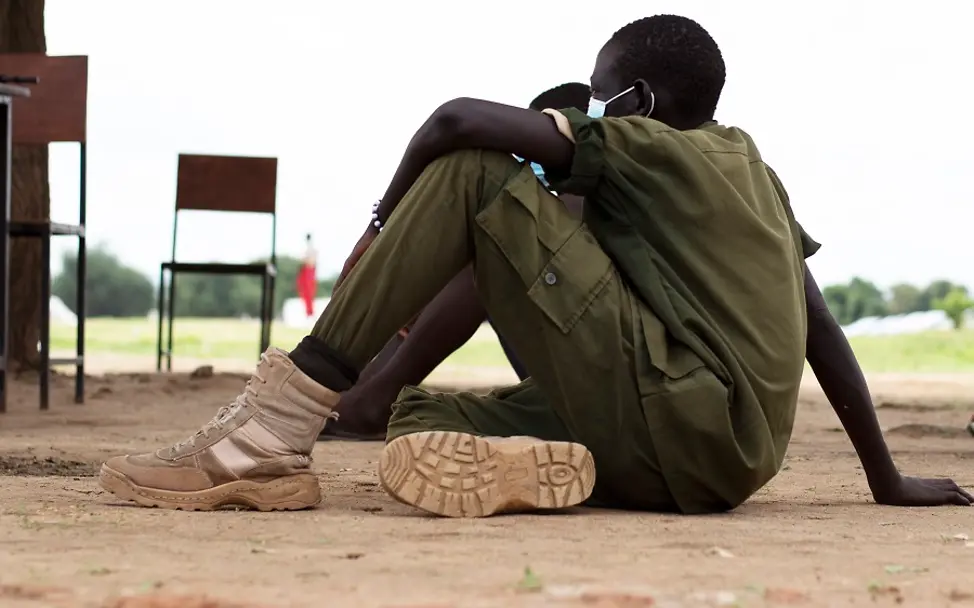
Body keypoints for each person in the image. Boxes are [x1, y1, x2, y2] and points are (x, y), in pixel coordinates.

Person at [99, 15, 972, 517]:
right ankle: (527, 464)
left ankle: (269, 435)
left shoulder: (640, 145)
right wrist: (885, 479)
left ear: (636, 103)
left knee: (481, 178)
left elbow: (453, 123)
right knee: (415, 408)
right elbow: (818, 323)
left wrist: (380, 224)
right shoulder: (757, 172)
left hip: (677, 415)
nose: (591, 110)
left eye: (600, 96)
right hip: (729, 461)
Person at [319, 82, 591, 441]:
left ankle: (371, 400)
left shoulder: (588, 200)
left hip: (594, 383)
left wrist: (380, 227)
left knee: (496, 236)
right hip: (575, 374)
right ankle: (358, 394)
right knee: (490, 238)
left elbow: (455, 118)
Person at [296, 233, 317, 318]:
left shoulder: (311, 249)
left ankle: (310, 312)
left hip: (309, 270)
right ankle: (308, 312)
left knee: (309, 291)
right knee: (304, 291)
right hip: (306, 270)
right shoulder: (307, 248)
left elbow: (311, 260)